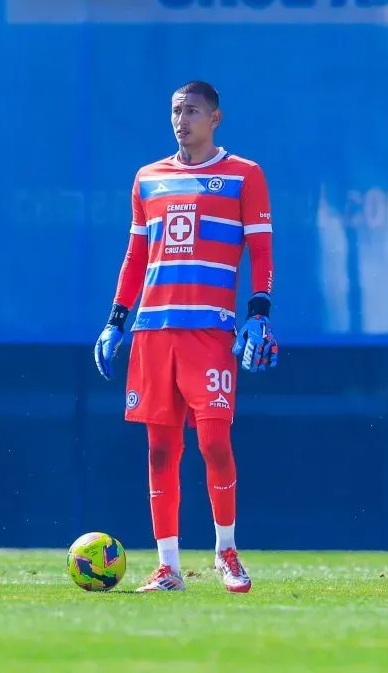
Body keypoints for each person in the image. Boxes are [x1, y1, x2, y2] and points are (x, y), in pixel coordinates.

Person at [94, 80, 278, 593]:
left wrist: (258, 313)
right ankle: (168, 568)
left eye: (192, 111)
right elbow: (136, 257)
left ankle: (226, 551)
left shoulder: (244, 175)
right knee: (160, 451)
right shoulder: (148, 179)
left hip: (210, 332)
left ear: (215, 117)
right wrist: (115, 320)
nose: (181, 119)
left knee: (216, 444)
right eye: (176, 111)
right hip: (154, 332)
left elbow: (261, 251)